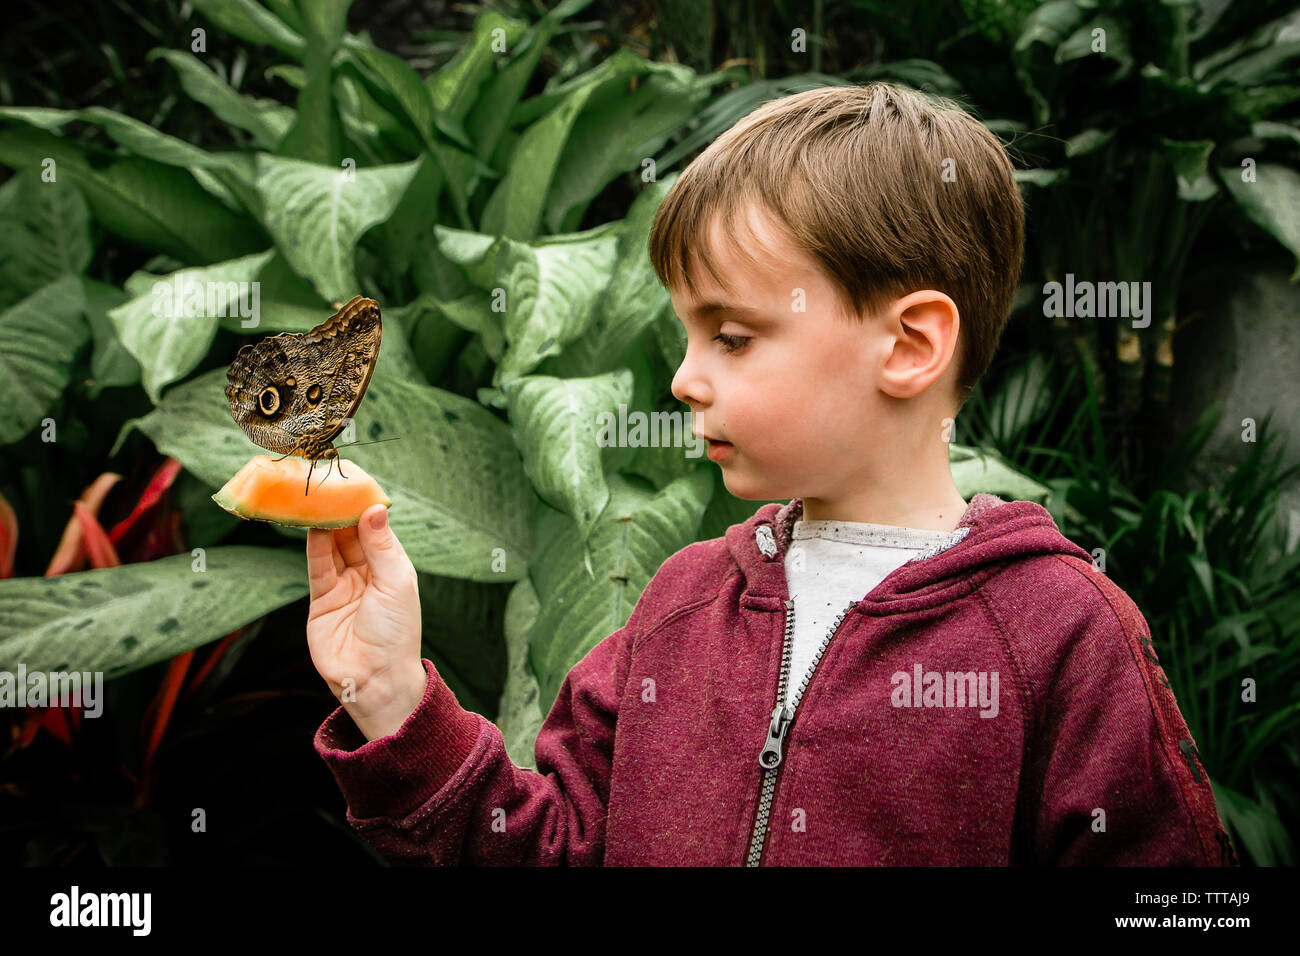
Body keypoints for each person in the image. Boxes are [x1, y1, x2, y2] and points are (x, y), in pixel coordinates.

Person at [305, 82, 1236, 866]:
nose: (682, 376)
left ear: (910, 345)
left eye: (733, 336)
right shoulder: (678, 606)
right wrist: (390, 695)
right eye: (686, 333)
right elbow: (548, 849)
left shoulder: (1060, 637)